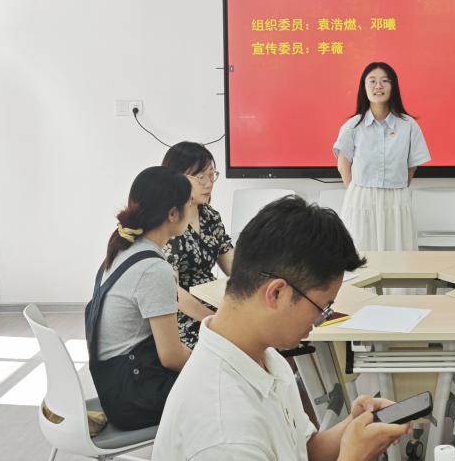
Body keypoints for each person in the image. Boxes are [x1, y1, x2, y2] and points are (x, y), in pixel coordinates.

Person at [153, 195, 410, 460]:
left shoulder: (264, 357)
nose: (321, 320)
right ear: (277, 293)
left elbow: (305, 450)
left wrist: (352, 428)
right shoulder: (224, 431)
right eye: (321, 308)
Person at [85, 166, 194, 430]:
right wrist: (216, 365)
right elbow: (171, 356)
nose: (193, 209)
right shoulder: (154, 269)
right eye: (189, 203)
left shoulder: (122, 250)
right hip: (134, 398)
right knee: (225, 389)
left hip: (115, 388)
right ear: (172, 214)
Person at [333, 62, 430, 251]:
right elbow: (343, 164)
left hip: (396, 198)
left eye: (385, 81)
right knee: (361, 254)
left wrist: (395, 186)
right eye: (372, 81)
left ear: (393, 87)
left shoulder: (408, 125)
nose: (378, 86)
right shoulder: (353, 126)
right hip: (361, 198)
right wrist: (358, 191)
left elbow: (412, 165)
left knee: (397, 252)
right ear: (364, 87)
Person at [161, 141, 234, 348]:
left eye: (212, 175)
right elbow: (172, 293)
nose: (209, 183)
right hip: (181, 316)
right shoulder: (167, 221)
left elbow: (234, 267)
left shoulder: (210, 216)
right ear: (177, 178)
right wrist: (213, 321)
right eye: (201, 177)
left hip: (214, 305)